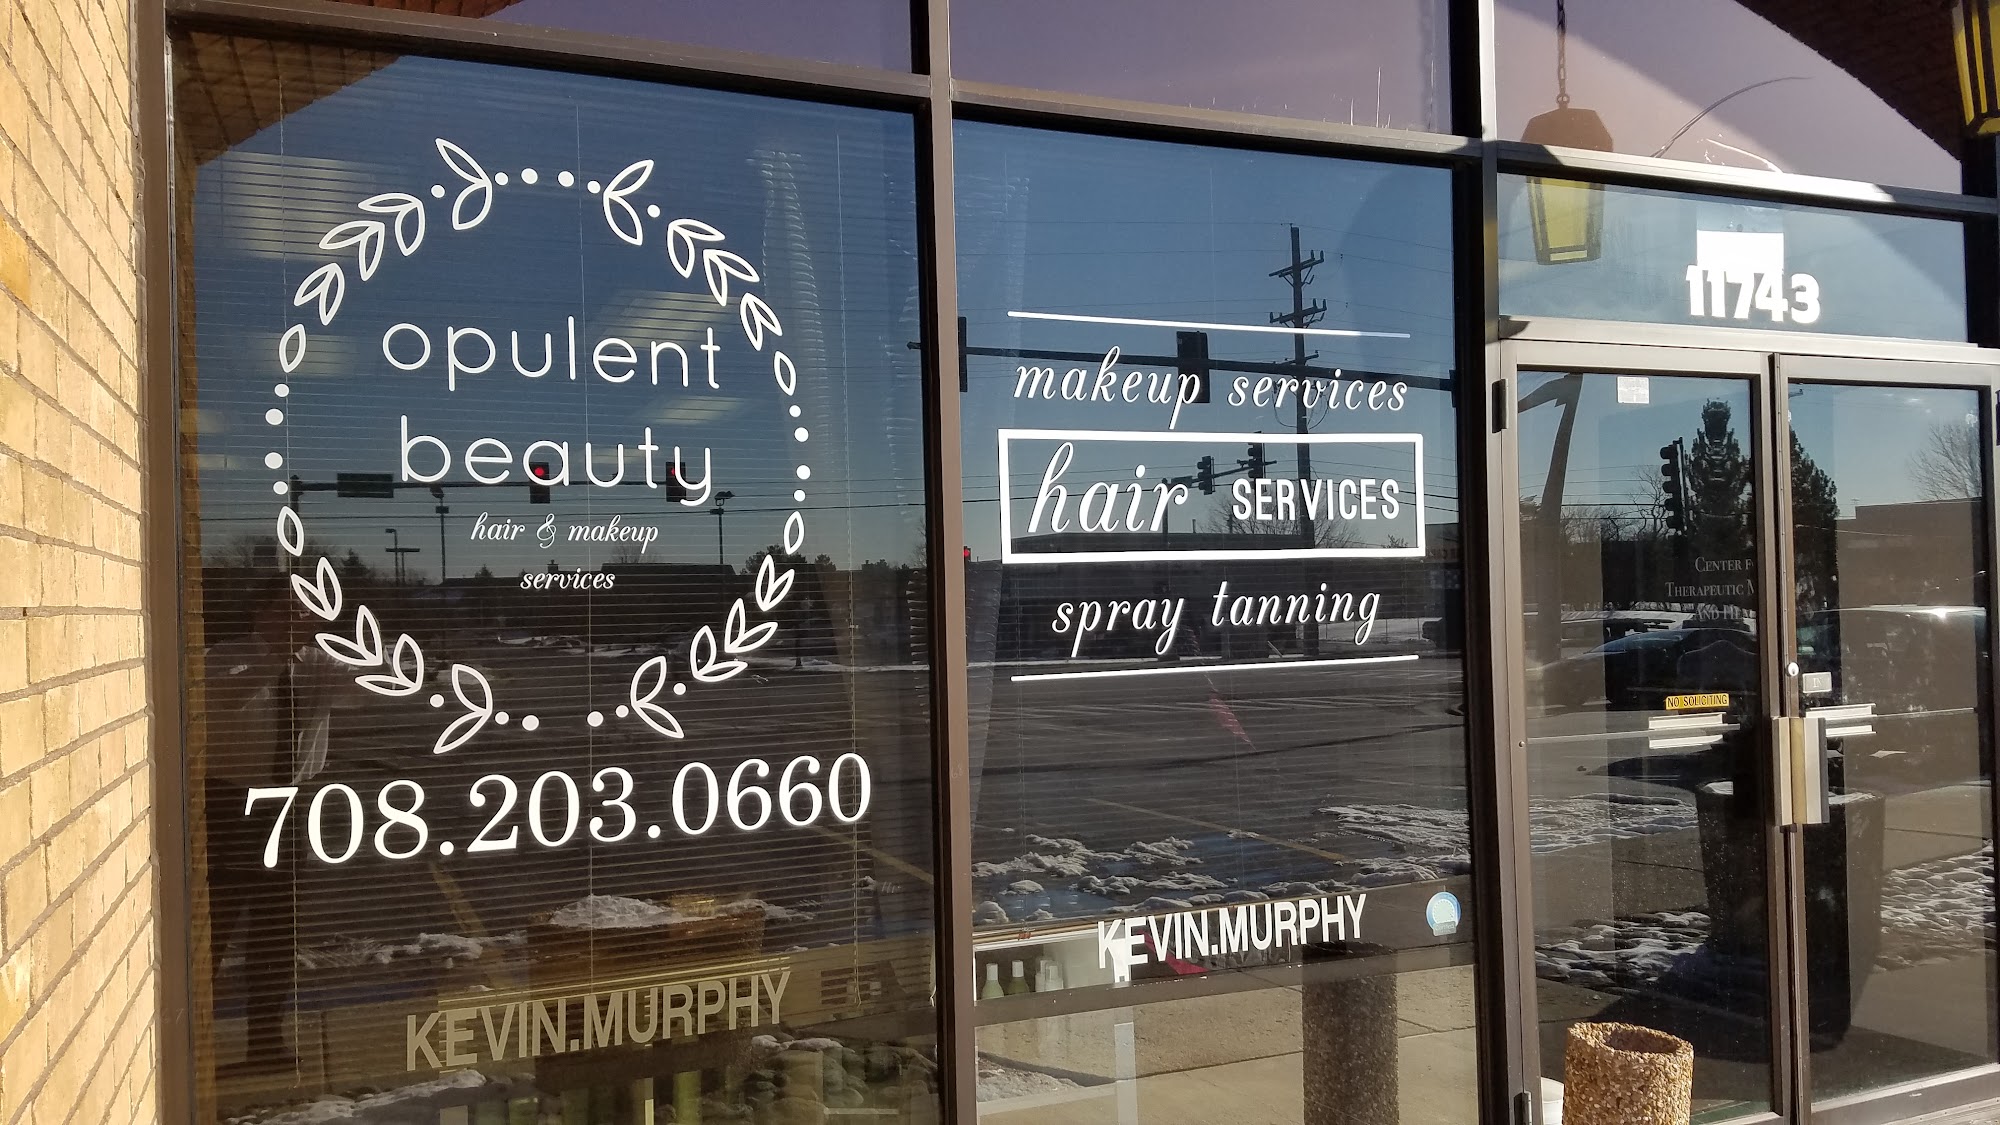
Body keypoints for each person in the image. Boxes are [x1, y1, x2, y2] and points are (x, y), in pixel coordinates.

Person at [199, 572, 339, 1073]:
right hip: (230, 804)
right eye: (287, 609)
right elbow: (226, 697)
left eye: (305, 611)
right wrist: (278, 655)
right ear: (260, 613)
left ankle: (265, 1042)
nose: (298, 619)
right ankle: (191, 1045)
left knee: (276, 932)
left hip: (289, 804)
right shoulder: (224, 656)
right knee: (214, 928)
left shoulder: (320, 662)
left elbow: (371, 688)